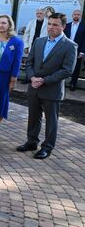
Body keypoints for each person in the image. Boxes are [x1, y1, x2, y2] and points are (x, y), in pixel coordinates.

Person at [17, 13, 77, 159]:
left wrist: (45, 80)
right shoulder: (38, 41)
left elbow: (67, 70)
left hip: (52, 89)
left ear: (63, 26)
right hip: (34, 87)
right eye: (49, 24)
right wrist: (32, 77)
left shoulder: (70, 46)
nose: (51, 27)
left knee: (51, 120)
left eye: (55, 25)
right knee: (33, 117)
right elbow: (29, 62)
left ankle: (47, 147)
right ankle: (31, 142)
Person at [63, 9, 85, 91]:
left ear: (80, 16)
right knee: (63, 65)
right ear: (72, 15)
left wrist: (82, 52)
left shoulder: (83, 27)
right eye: (75, 14)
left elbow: (84, 40)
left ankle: (73, 83)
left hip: (78, 50)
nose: (76, 16)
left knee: (76, 67)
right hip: (66, 49)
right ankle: (61, 81)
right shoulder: (67, 25)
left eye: (78, 14)